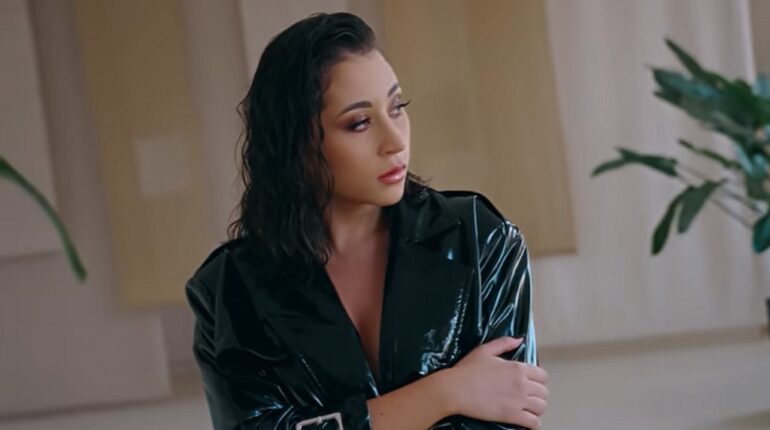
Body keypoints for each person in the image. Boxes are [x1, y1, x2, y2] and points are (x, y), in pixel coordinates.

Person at [185, 11, 549, 430]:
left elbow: (510, 412)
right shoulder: (228, 291)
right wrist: (444, 392)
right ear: (294, 145)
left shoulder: (478, 238)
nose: (395, 141)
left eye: (397, 108)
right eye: (359, 123)